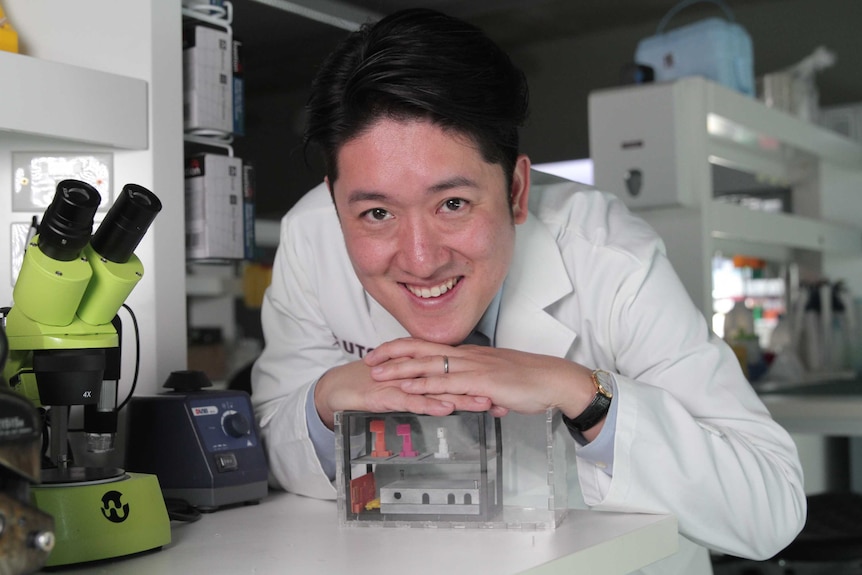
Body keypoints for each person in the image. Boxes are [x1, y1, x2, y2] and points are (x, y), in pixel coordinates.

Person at [251, 8, 805, 574]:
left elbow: (770, 508)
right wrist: (326, 404)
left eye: (453, 204)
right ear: (334, 200)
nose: (420, 259)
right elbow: (266, 449)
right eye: (375, 212)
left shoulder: (609, 259)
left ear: (516, 190)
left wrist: (577, 392)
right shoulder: (311, 237)